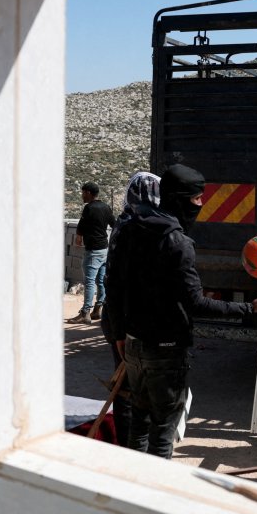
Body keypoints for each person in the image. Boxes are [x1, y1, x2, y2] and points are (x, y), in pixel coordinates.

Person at [105, 157, 257, 458]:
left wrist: (120, 334)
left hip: (134, 345)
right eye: (197, 198)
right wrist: (250, 308)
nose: (201, 204)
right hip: (166, 350)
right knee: (162, 432)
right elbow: (195, 302)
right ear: (178, 199)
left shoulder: (129, 230)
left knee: (138, 426)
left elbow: (116, 288)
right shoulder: (177, 243)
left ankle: (134, 489)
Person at [98, 171, 161, 447]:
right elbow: (116, 283)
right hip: (126, 321)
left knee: (132, 384)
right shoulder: (135, 227)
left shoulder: (128, 222)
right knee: (127, 388)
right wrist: (121, 331)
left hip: (121, 320)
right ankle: (128, 444)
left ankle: (132, 441)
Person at [70, 181, 116, 324]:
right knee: (101, 281)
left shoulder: (89, 208)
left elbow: (81, 227)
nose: (82, 195)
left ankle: (85, 312)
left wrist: (78, 239)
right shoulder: (106, 207)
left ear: (89, 193)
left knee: (89, 282)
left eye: (83, 193)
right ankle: (97, 309)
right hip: (104, 249)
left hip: (93, 250)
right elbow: (114, 224)